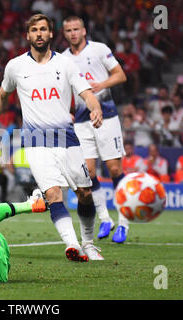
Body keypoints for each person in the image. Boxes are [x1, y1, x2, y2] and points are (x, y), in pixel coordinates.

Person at [0, 14, 104, 261]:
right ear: (28, 35)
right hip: (36, 143)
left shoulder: (66, 64)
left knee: (85, 193)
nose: (39, 33)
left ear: (50, 34)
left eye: (43, 29)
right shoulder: (16, 66)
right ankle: (73, 246)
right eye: (34, 30)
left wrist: (95, 107)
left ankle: (89, 243)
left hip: (67, 139)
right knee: (53, 195)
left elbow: (85, 92)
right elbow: (1, 97)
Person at [62, 16, 130, 243]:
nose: (73, 33)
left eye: (76, 29)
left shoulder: (100, 49)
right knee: (88, 173)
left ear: (84, 31)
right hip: (81, 121)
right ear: (64, 34)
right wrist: (66, 111)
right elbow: (63, 91)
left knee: (113, 169)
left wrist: (102, 85)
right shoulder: (62, 59)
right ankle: (105, 219)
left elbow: (121, 75)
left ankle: (123, 224)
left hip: (107, 116)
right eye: (69, 30)